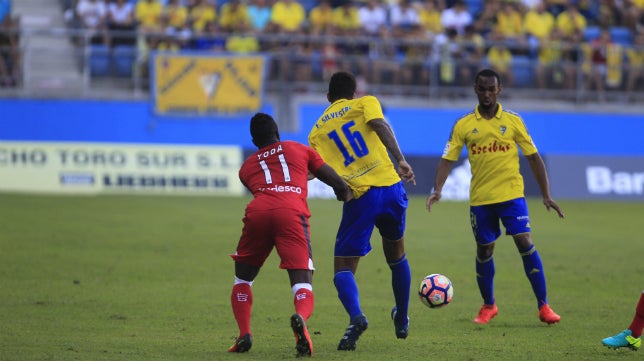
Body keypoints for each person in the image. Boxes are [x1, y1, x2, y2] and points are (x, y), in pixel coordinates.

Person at [425, 68, 565, 325]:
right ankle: (489, 305)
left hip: (512, 196)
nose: (487, 94)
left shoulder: (513, 121)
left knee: (524, 241)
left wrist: (546, 195)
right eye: (483, 89)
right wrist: (437, 189)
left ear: (499, 90)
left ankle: (544, 306)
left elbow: (534, 158)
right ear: (475, 90)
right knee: (484, 249)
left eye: (492, 89)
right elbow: (447, 160)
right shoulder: (464, 124)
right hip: (481, 200)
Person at [307, 71, 416, 351]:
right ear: (354, 93)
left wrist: (338, 188)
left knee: (343, 270)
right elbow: (379, 125)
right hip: (391, 188)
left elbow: (318, 169)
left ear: (328, 98)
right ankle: (402, 318)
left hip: (361, 197)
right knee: (397, 256)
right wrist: (400, 160)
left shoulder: (317, 131)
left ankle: (357, 317)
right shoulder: (365, 103)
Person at [228, 112, 353, 356]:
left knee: (243, 279)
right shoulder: (299, 149)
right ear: (277, 133)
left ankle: (244, 334)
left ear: (254, 141)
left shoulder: (246, 168)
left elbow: (266, 181)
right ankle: (301, 318)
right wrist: (344, 193)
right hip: (291, 213)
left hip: (259, 212)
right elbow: (331, 178)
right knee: (302, 282)